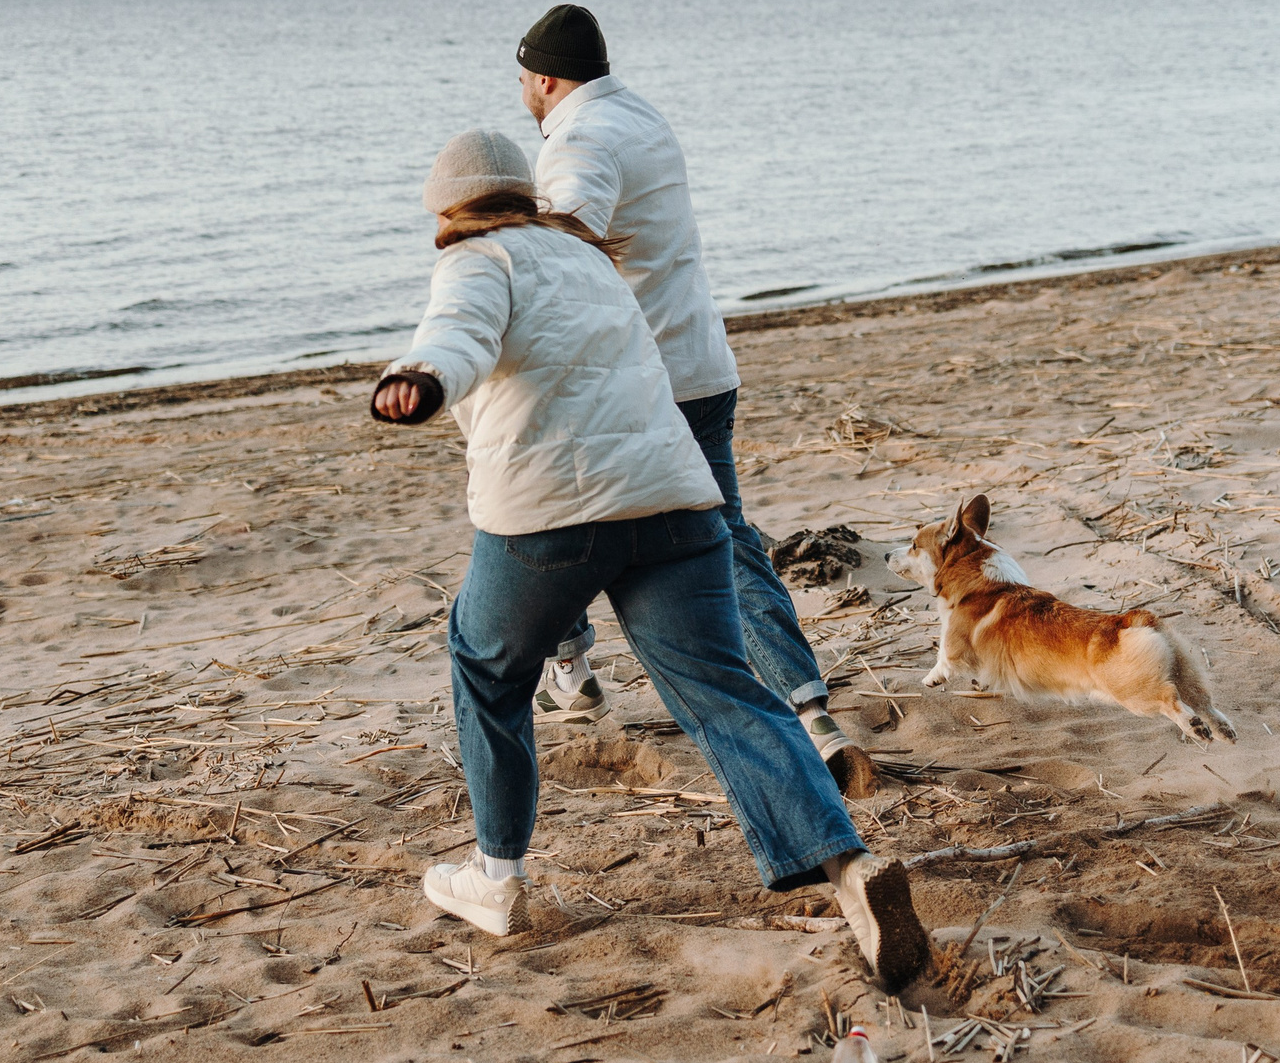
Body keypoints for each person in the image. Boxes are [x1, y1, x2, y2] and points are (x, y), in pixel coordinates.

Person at [370, 128, 929, 990]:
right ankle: (850, 868)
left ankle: (496, 877)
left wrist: (422, 377)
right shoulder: (585, 254)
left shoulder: (477, 259)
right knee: (726, 692)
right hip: (674, 500)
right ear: (524, 192)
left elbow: (457, 334)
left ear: (449, 211)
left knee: (485, 664)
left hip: (552, 514)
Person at [514, 3, 879, 797]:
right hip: (702, 367)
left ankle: (570, 673)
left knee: (544, 509)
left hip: (636, 385)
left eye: (522, 80)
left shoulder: (577, 141)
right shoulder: (642, 115)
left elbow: (566, 238)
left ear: (543, 79)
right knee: (728, 540)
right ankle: (810, 710)